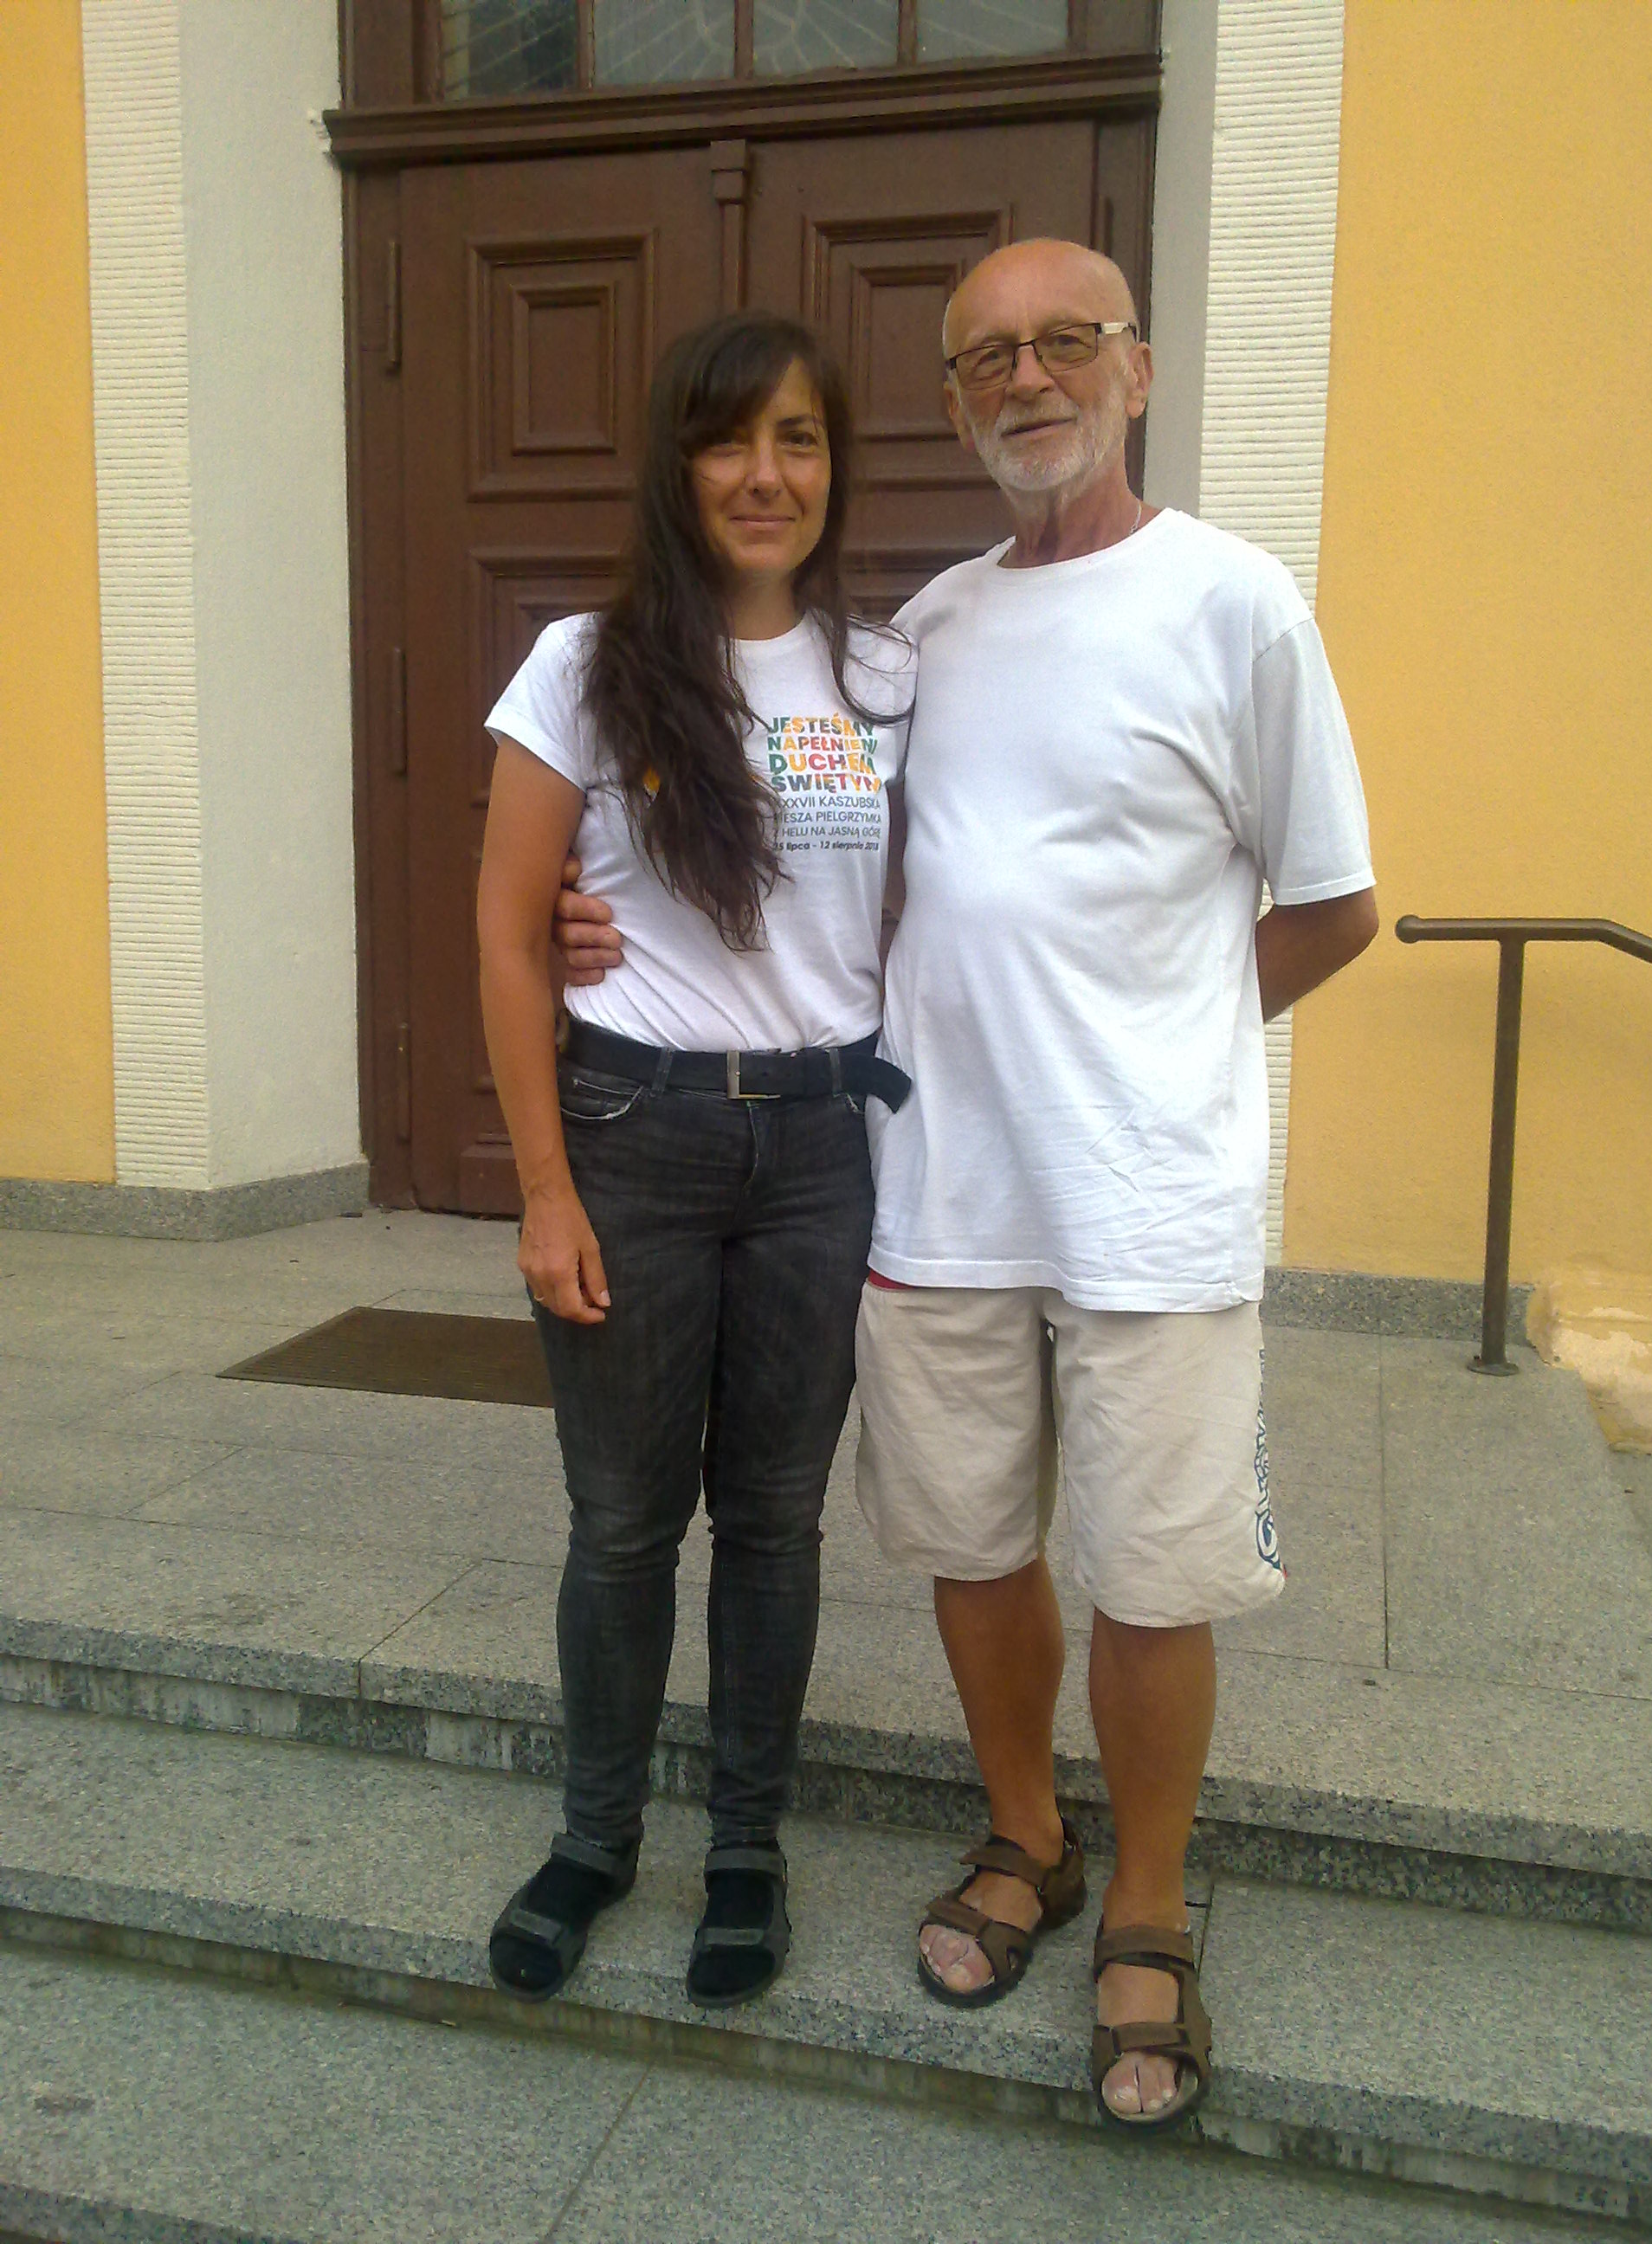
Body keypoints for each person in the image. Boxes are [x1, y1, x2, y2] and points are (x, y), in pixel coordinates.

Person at [556, 240, 1377, 2125]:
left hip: (1148, 1198)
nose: (1029, 379)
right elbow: (797, 855)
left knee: (1155, 1572)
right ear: (950, 400)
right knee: (973, 1545)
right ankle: (1030, 1836)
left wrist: (1167, 1037)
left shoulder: (1237, 604)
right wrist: (599, 921)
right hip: (932, 1188)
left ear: (1137, 369)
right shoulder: (917, 642)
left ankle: (1150, 1903)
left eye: (1066, 342)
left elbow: (1333, 904)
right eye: (987, 356)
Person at [475, 310, 913, 2014]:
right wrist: (544, 1192)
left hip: (818, 1150)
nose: (764, 473)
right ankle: (595, 1841)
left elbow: (927, 905)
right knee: (620, 1522)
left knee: (778, 1523)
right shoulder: (584, 666)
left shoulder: (883, 678)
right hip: (633, 1141)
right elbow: (509, 932)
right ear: (676, 464)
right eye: (729, 439)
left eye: (799, 438)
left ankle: (745, 1850)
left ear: (834, 465)